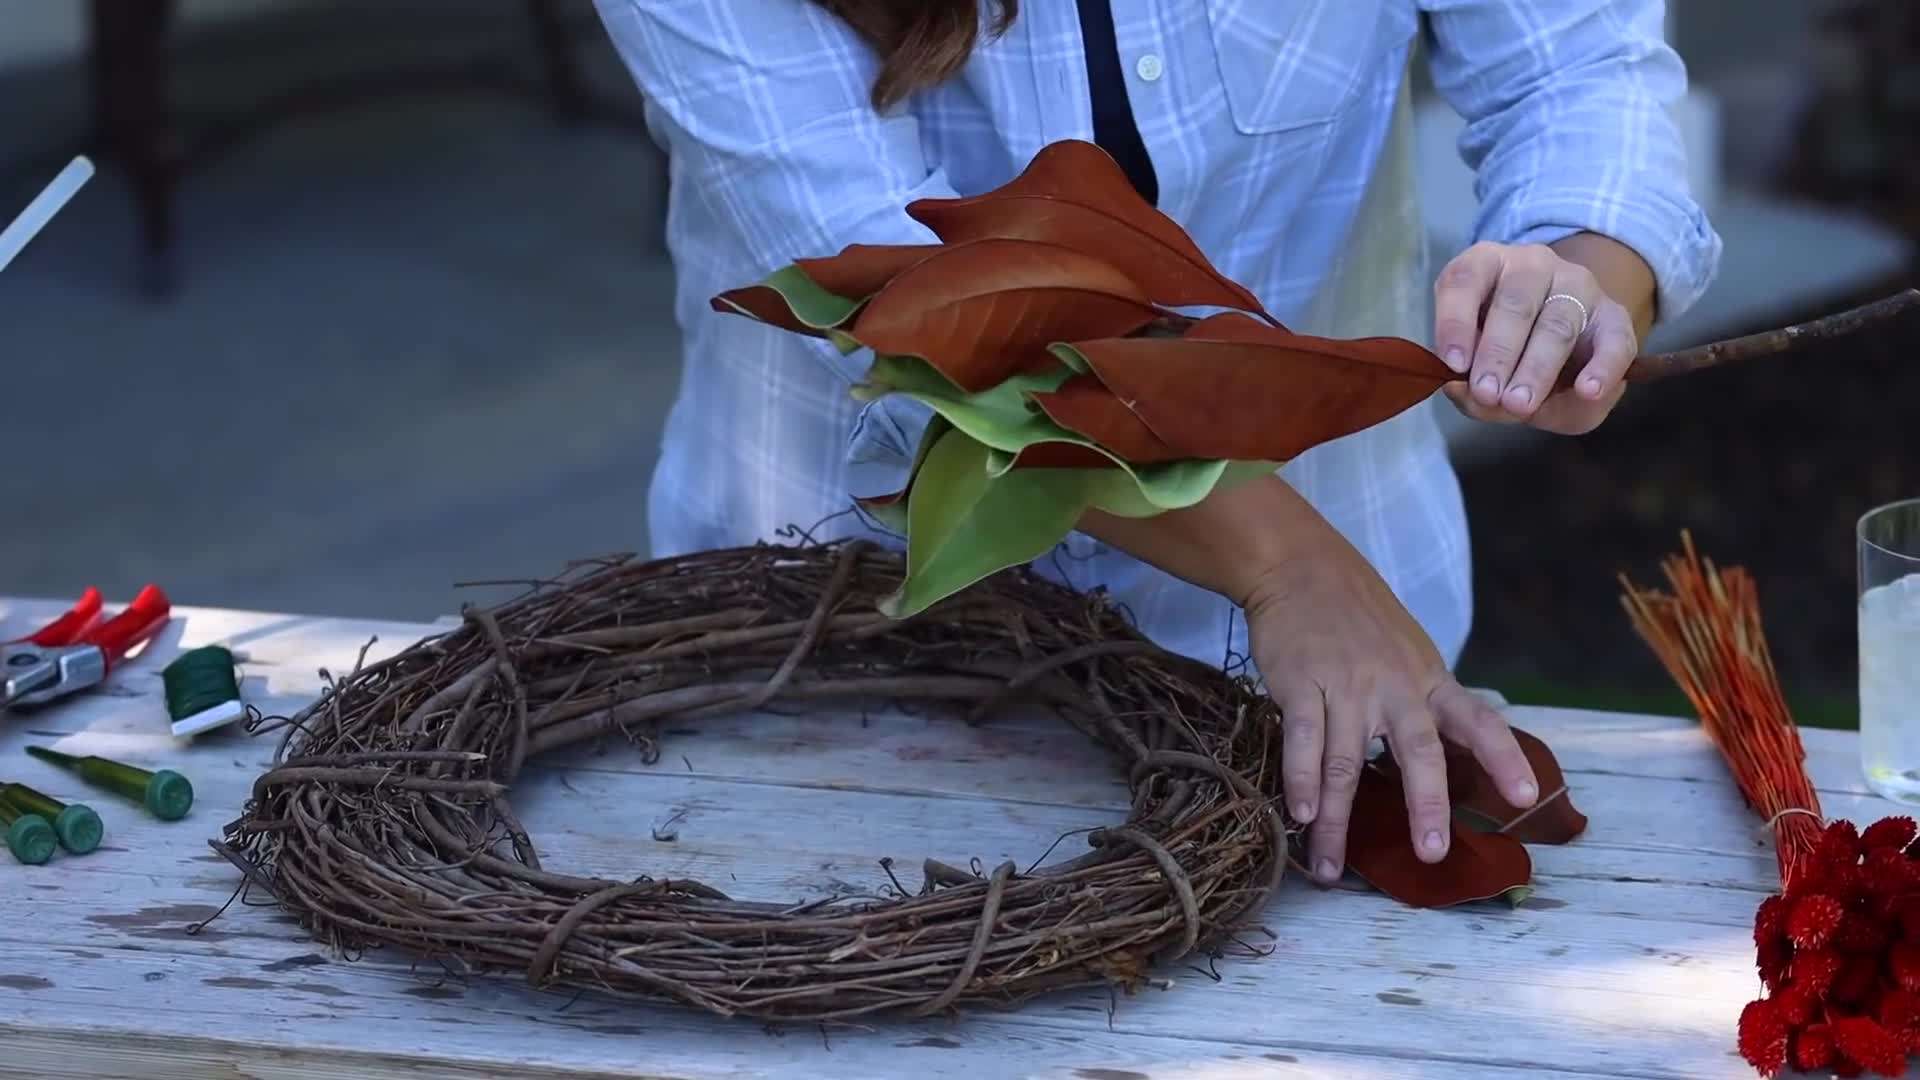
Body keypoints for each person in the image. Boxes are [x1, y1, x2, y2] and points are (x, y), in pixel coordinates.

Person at [592, 0, 1721, 885]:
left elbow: (1576, 70)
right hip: (843, 694)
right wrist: (1288, 566)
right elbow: (903, 294)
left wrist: (1576, 282)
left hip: (1339, 702)